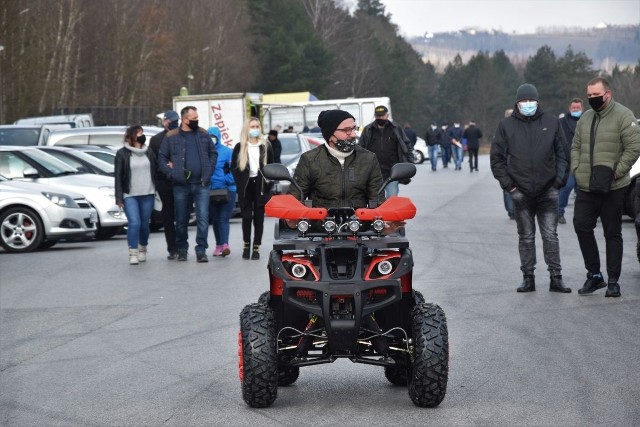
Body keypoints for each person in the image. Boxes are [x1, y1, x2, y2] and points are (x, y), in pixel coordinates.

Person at [287, 109, 404, 357]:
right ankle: (293, 335)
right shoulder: (310, 160)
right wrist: (292, 215)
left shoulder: (367, 159)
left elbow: (377, 200)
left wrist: (386, 220)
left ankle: (395, 333)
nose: (353, 134)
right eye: (346, 130)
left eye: (354, 128)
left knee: (397, 272)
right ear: (331, 134)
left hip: (360, 233)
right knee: (286, 277)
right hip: (320, 235)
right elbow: (294, 199)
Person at [490, 83, 571, 293]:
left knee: (550, 236)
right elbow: (496, 159)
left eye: (531, 101)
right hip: (521, 192)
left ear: (537, 101)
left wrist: (558, 182)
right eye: (523, 101)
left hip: (548, 191)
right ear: (517, 103)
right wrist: (510, 187)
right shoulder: (506, 125)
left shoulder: (552, 122)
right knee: (525, 237)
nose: (528, 104)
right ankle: (528, 277)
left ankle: (556, 277)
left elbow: (563, 154)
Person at [571, 77, 640, 297]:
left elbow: (633, 148)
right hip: (586, 186)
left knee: (612, 232)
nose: (592, 99)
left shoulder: (624, 115)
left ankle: (613, 280)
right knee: (581, 226)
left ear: (607, 94)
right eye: (589, 95)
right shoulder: (585, 118)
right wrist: (576, 168)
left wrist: (617, 172)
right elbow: (575, 146)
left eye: (595, 95)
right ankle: (595, 275)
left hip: (614, 187)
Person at [159, 106, 218, 263]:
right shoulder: (172, 136)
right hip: (181, 185)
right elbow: (162, 158)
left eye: (197, 117)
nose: (196, 120)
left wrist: (209, 170)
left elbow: (213, 153)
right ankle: (182, 249)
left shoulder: (203, 134)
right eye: (193, 118)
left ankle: (201, 250)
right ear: (185, 119)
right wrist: (172, 174)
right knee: (181, 219)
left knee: (203, 218)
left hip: (202, 184)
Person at [231, 117, 274, 260]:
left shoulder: (266, 146)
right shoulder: (240, 147)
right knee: (247, 217)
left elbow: (272, 167)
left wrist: (269, 184)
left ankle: (256, 247)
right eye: (252, 126)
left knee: (259, 218)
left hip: (261, 185)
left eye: (257, 126)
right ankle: (246, 245)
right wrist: (239, 183)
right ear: (247, 129)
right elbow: (234, 168)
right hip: (246, 185)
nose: (255, 129)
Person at [115, 126, 157, 265]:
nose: (142, 136)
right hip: (130, 194)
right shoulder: (122, 154)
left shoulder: (149, 151)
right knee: (134, 222)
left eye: (142, 134)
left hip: (148, 193)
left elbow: (156, 170)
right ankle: (132, 252)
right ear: (132, 136)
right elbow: (118, 177)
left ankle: (142, 248)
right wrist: (119, 197)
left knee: (144, 224)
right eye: (139, 134)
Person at [359, 105, 414, 198]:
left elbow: (406, 144)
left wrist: (409, 160)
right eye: (378, 116)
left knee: (391, 198)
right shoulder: (368, 130)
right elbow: (360, 148)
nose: (380, 118)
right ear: (375, 116)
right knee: (375, 200)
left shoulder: (396, 128)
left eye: (382, 115)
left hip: (392, 172)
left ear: (387, 115)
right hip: (374, 172)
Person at [149, 110, 179, 259]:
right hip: (164, 182)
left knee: (181, 215)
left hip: (181, 181)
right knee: (168, 216)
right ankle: (172, 248)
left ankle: (181, 246)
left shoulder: (183, 135)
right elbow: (153, 162)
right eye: (170, 120)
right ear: (165, 121)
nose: (173, 123)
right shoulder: (156, 140)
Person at [207, 126, 237, 258]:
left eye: (213, 136)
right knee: (214, 219)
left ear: (218, 137)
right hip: (210, 191)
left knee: (223, 218)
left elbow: (234, 170)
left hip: (227, 190)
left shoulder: (227, 152)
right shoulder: (205, 153)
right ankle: (219, 244)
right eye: (209, 137)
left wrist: (226, 180)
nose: (211, 139)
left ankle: (225, 244)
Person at [557, 98, 583, 224]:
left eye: (578, 108)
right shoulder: (561, 122)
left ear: (582, 108)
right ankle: (559, 212)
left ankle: (582, 215)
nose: (576, 110)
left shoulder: (588, 121)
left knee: (582, 191)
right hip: (569, 161)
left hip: (585, 162)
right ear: (569, 108)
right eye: (574, 108)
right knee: (567, 187)